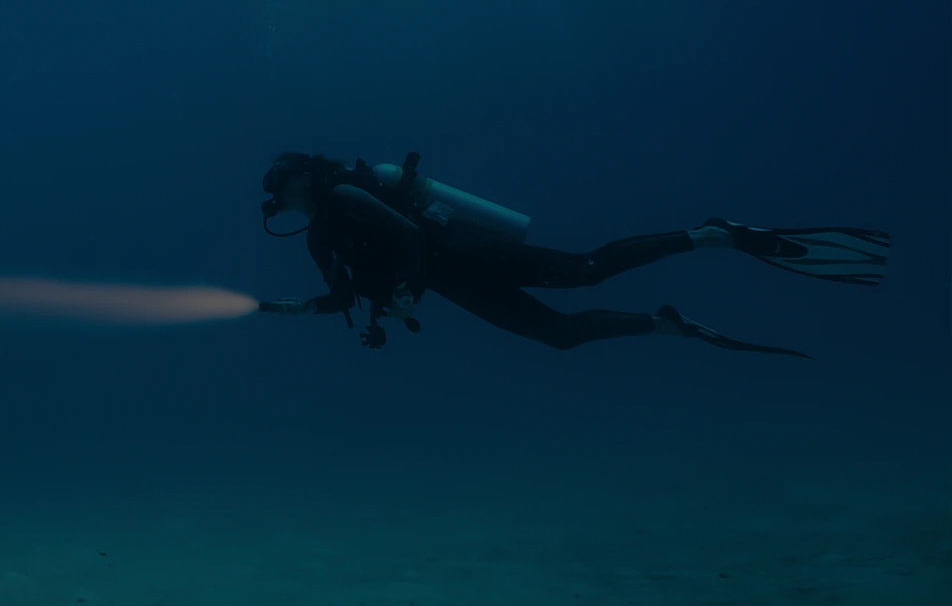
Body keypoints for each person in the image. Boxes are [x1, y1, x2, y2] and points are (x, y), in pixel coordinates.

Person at [257, 151, 890, 359]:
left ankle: (709, 233)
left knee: (586, 272)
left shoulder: (345, 196)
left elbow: (410, 237)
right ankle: (665, 324)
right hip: (455, 284)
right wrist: (305, 308)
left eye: (279, 188)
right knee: (557, 336)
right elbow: (343, 294)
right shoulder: (317, 236)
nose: (277, 201)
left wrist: (401, 289)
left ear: (303, 180)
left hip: (467, 255)